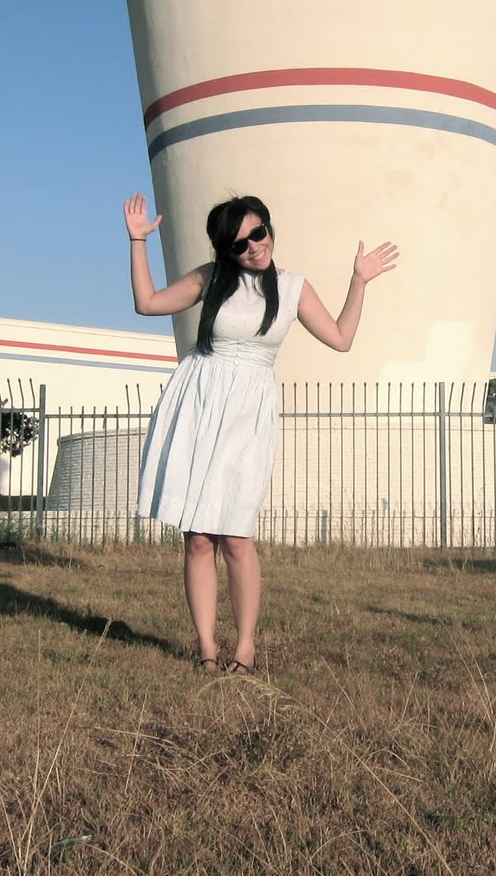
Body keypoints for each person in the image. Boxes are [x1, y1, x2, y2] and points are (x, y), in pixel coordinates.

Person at [123, 192, 398, 675]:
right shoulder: (211, 280)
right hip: (201, 401)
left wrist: (359, 281)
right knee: (199, 535)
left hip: (250, 411)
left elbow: (341, 338)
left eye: (258, 233)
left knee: (236, 534)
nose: (253, 246)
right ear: (225, 251)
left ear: (270, 229)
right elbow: (147, 303)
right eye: (239, 242)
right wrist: (137, 240)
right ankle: (207, 650)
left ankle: (244, 649)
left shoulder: (292, 288)